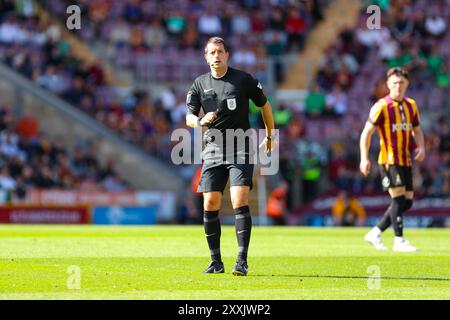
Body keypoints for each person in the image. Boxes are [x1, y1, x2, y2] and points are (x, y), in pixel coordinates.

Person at [185, 37, 275, 276]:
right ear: (205, 56)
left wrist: (269, 136)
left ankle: (241, 261)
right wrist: (199, 121)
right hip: (213, 150)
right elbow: (189, 116)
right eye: (211, 52)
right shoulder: (199, 84)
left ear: (227, 55)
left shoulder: (243, 79)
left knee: (238, 199)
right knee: (210, 202)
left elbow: (264, 105)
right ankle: (216, 262)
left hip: (241, 147)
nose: (216, 56)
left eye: (220, 52)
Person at [359, 67, 425, 252]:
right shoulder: (381, 106)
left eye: (401, 83)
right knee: (398, 199)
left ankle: (376, 231)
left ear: (407, 84)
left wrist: (421, 146)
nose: (398, 86)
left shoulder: (411, 105)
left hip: (406, 160)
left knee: (408, 202)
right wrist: (364, 158)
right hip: (389, 159)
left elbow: (417, 130)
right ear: (388, 84)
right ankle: (399, 240)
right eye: (395, 83)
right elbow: (366, 133)